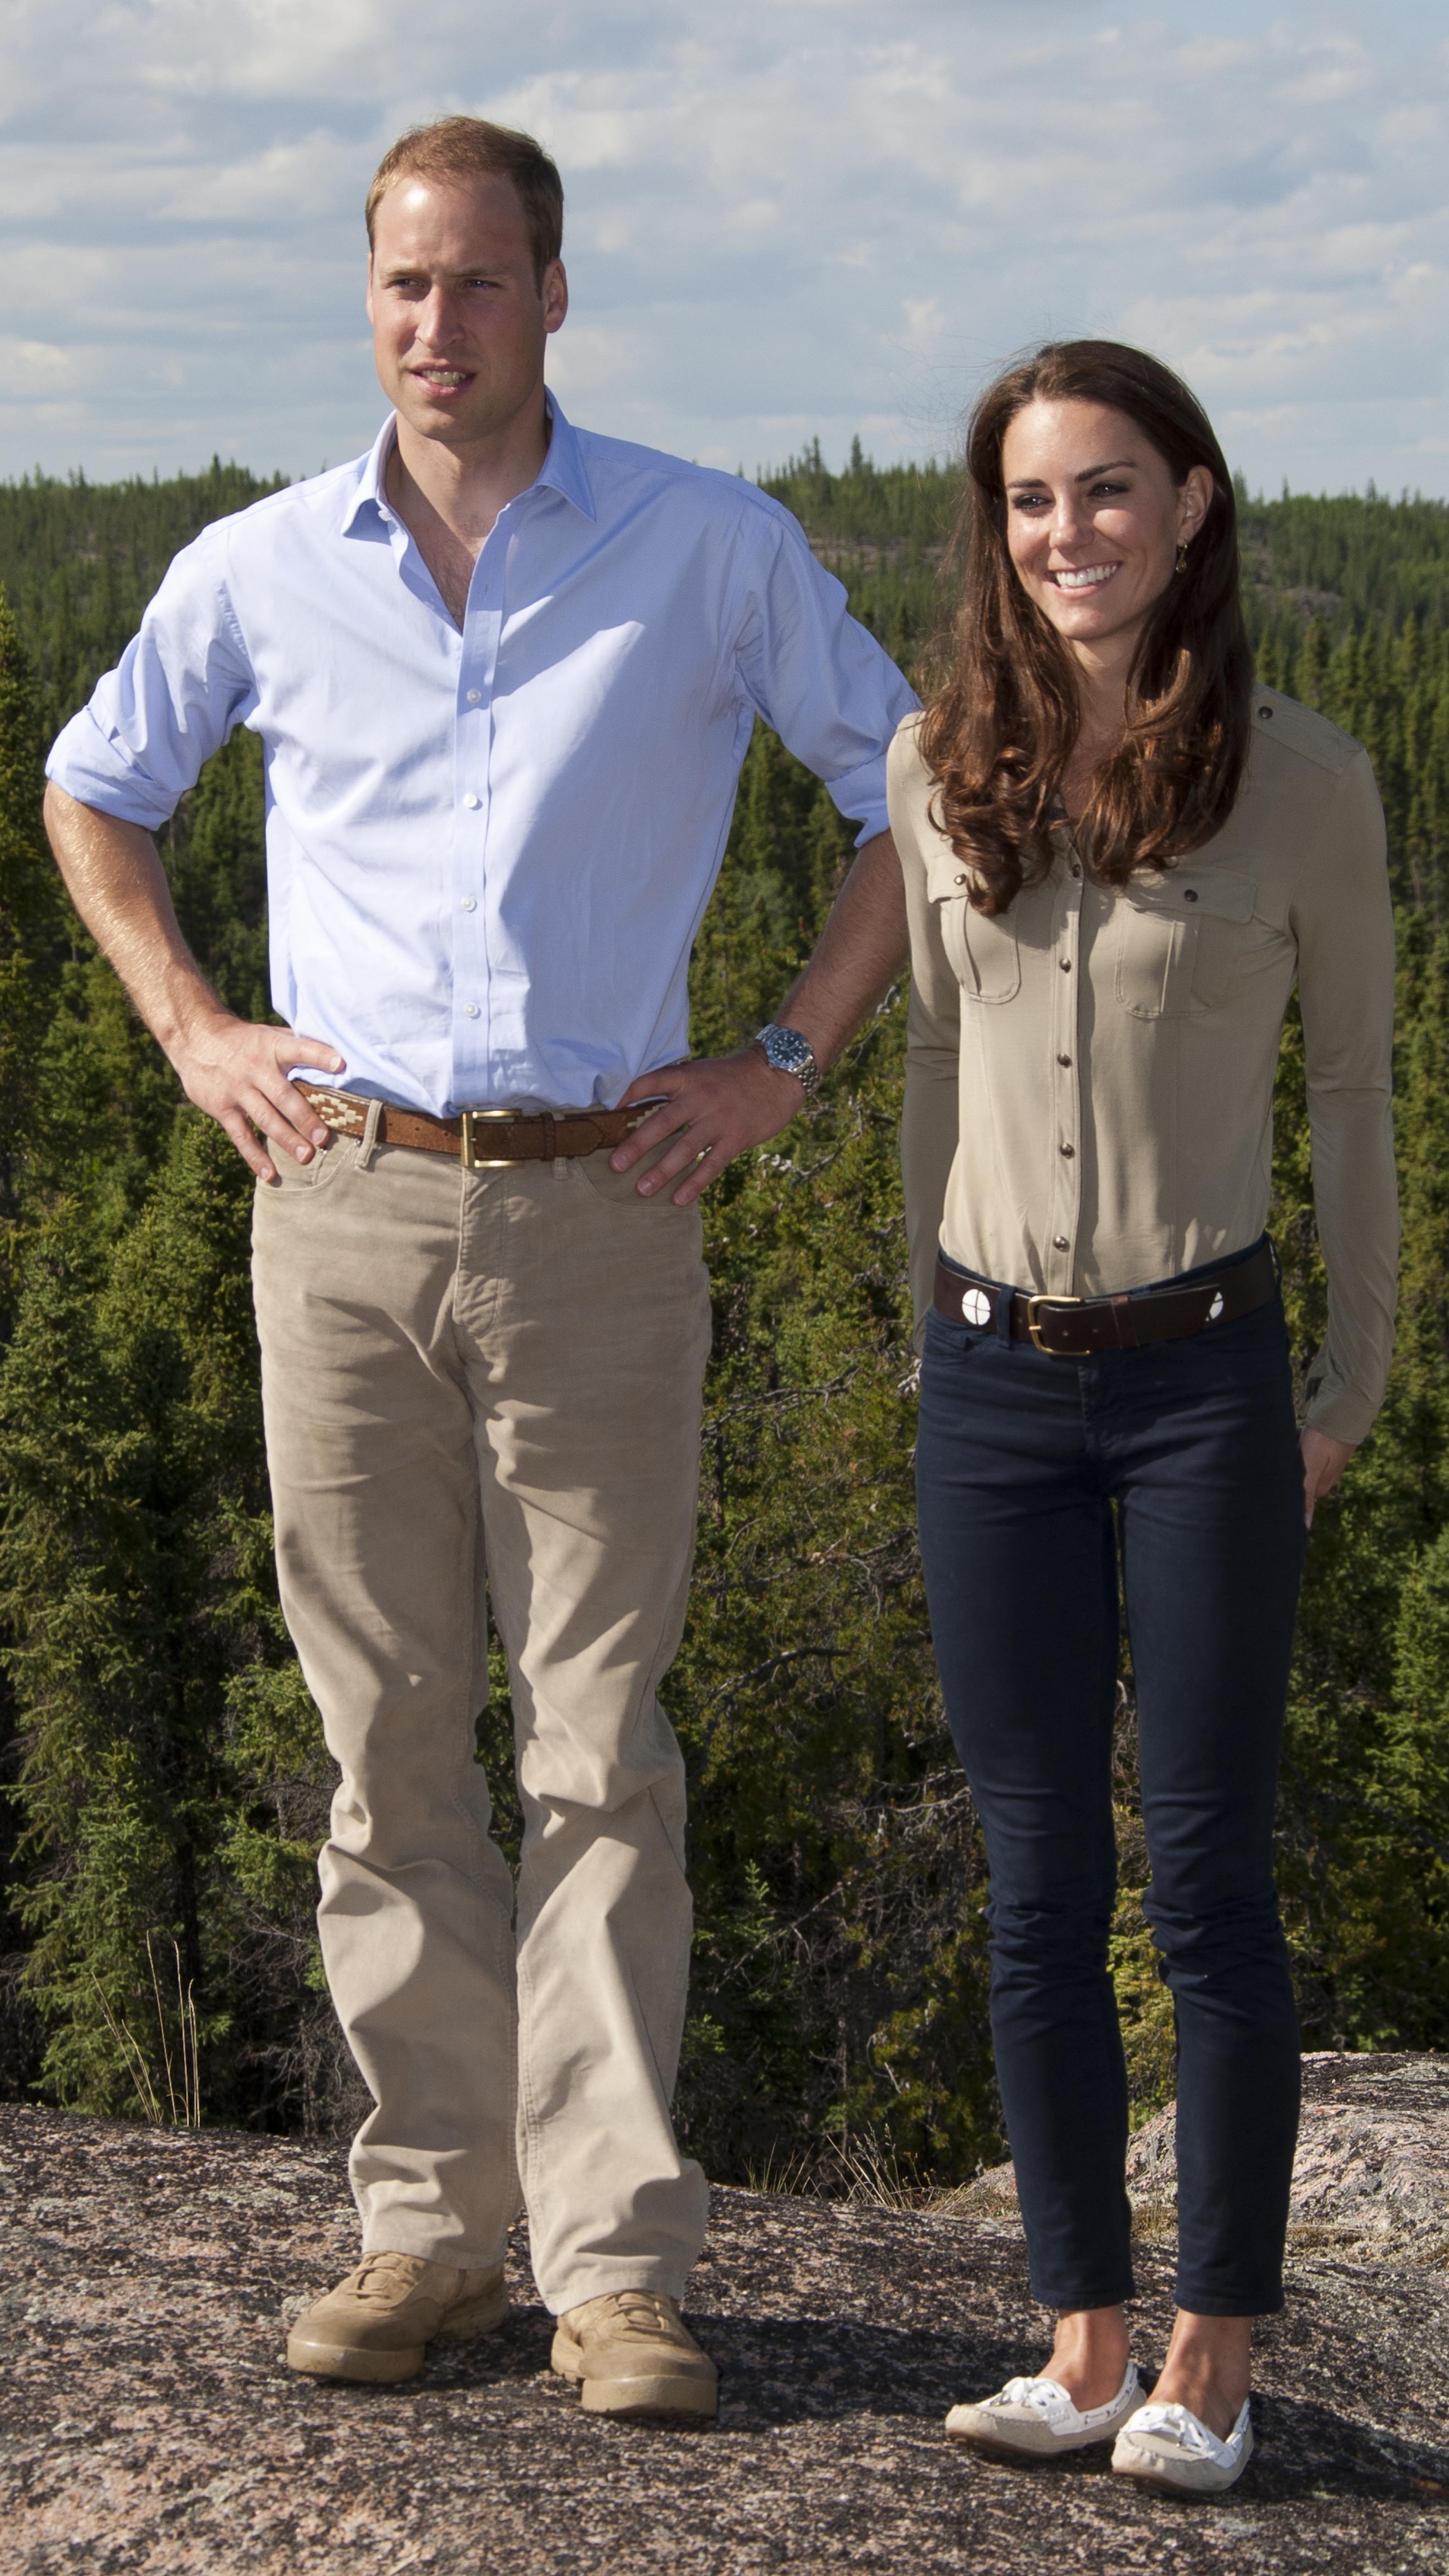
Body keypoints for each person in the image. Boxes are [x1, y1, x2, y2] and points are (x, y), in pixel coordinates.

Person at [43, 115, 917, 2420]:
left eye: (484, 284)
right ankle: (428, 2229)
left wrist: (780, 1063)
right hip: (338, 1205)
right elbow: (91, 787)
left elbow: (911, 789)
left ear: (559, 291)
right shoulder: (258, 565)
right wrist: (195, 1030)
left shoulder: (707, 545)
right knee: (385, 1741)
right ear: (372, 301)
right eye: (405, 288)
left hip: (610, 1207)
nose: (441, 329)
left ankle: (619, 2264)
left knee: (603, 1743)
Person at [888, 341, 1396, 2497]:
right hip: (993, 1382)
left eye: (1107, 491)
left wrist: (1344, 1387)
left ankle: (1215, 2352)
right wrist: (922, 1333)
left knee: (1202, 1879)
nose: (1067, 534)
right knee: (1029, 1878)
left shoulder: (1311, 781)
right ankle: (1081, 2335)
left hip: (1205, 1388)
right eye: (1029, 501)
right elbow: (925, 1061)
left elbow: (1361, 1102)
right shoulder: (939, 770)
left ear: (1192, 506)